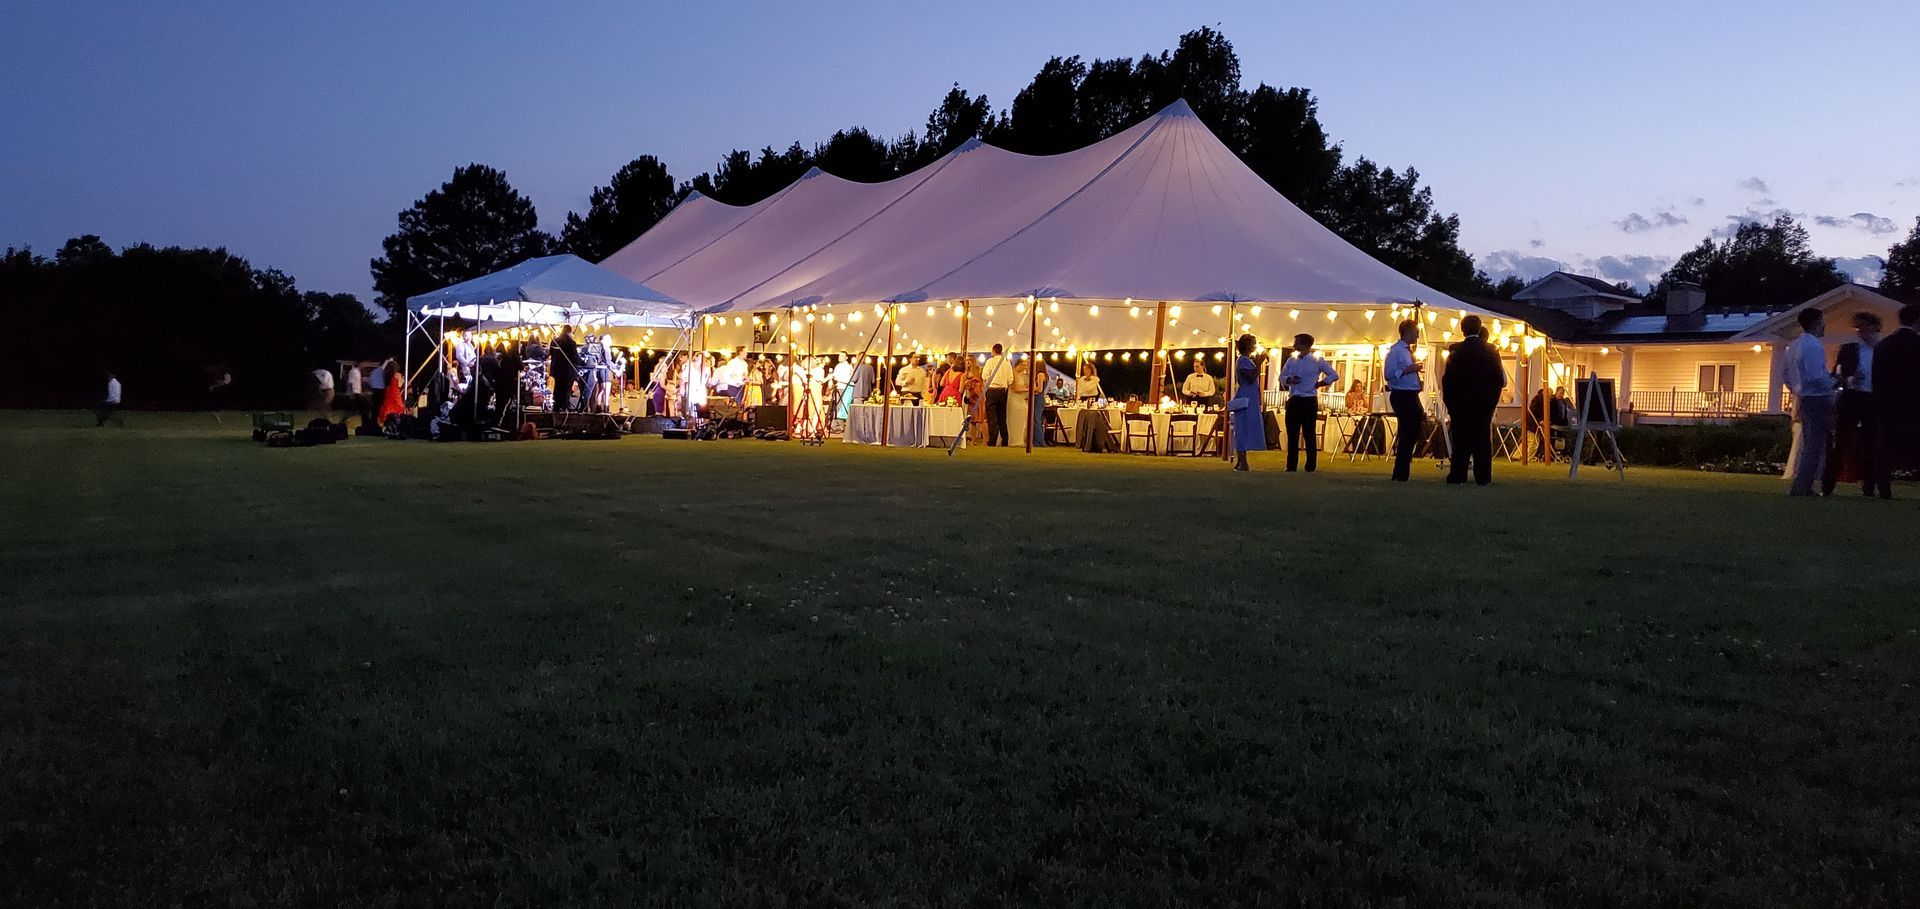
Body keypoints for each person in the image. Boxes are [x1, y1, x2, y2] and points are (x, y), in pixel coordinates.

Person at [1441, 315, 1507, 486]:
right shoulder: (1491, 352)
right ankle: (1483, 476)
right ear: (1479, 329)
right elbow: (1498, 380)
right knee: (1482, 442)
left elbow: (1447, 381)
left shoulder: (1456, 352)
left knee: (1460, 442)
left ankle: (1458, 474)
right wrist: (1491, 403)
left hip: (1460, 406)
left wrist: (1451, 405)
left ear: (1462, 330)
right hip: (1483, 406)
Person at [1824, 312, 1882, 496]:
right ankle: (1828, 486)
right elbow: (1837, 375)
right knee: (1841, 442)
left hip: (1874, 400)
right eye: (1858, 327)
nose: (1861, 331)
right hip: (1852, 398)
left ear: (1874, 327)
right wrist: (1850, 379)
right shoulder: (1848, 349)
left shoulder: (1883, 350)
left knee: (1872, 444)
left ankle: (1869, 488)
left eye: (1864, 326)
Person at [1784, 308, 1837, 497]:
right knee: (1815, 444)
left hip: (1803, 398)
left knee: (1810, 442)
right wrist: (1833, 383)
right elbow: (1816, 375)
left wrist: (1797, 391)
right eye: (1823, 321)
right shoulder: (1813, 345)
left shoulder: (1794, 346)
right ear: (1816, 322)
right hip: (1817, 397)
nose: (1825, 325)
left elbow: (1786, 376)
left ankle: (1804, 484)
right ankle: (1802, 486)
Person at [1871, 303, 1920, 500]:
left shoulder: (1884, 345)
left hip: (1887, 404)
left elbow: (1877, 377)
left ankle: (1883, 487)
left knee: (1885, 446)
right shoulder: (1917, 345)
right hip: (1913, 404)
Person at [1277, 333, 1339, 473]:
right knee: (1292, 434)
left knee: (1309, 433)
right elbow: (1282, 376)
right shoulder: (1291, 361)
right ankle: (1291, 466)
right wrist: (1290, 380)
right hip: (1294, 399)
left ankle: (1310, 466)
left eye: (1297, 343)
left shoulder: (1317, 361)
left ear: (1305, 345)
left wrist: (1320, 383)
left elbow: (1334, 375)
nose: (1294, 345)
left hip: (1309, 400)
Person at [1384, 319, 1426, 482]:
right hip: (1402, 395)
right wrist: (1408, 370)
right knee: (1407, 432)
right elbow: (1388, 375)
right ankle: (1400, 472)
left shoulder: (1408, 352)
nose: (1418, 335)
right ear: (1408, 332)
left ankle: (1403, 468)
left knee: (1414, 429)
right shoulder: (1395, 351)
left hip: (1411, 394)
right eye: (1416, 331)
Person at [1229, 334, 1265, 471]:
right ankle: (1242, 462)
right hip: (1245, 397)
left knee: (1246, 427)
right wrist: (1259, 364)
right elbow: (1250, 378)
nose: (1255, 346)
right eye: (1253, 343)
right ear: (1247, 345)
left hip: (1251, 397)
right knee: (1242, 428)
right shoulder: (1242, 361)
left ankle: (1241, 462)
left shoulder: (1247, 361)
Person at [982, 344, 1012, 446]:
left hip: (992, 390)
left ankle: (992, 441)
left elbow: (984, 375)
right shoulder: (1007, 363)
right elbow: (1010, 380)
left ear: (993, 350)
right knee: (1002, 417)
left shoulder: (990, 361)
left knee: (992, 417)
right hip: (1003, 391)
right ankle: (1005, 440)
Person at [550, 325, 580, 412]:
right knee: (566, 389)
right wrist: (582, 363)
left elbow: (552, 354)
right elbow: (574, 357)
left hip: (557, 369)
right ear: (570, 332)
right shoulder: (571, 343)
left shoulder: (554, 341)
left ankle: (556, 406)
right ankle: (564, 407)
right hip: (568, 370)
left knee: (558, 387)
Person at [376, 357, 406, 428]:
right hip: (395, 392)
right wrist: (403, 380)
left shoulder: (387, 375)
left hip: (389, 391)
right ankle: (396, 421)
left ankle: (384, 422)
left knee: (388, 405)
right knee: (398, 406)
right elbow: (399, 385)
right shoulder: (397, 374)